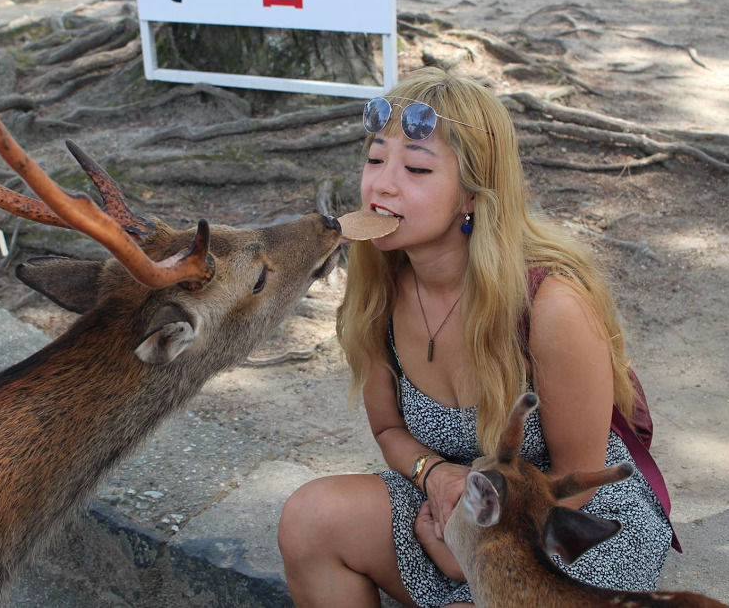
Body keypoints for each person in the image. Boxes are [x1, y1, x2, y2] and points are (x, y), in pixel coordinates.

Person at [278, 68, 673, 607]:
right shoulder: (377, 291)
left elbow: (576, 482)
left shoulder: (551, 306)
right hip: (452, 511)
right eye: (375, 159)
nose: (381, 185)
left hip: (570, 530)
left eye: (416, 167)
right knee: (309, 519)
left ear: (471, 193)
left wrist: (474, 549)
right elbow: (391, 429)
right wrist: (436, 476)